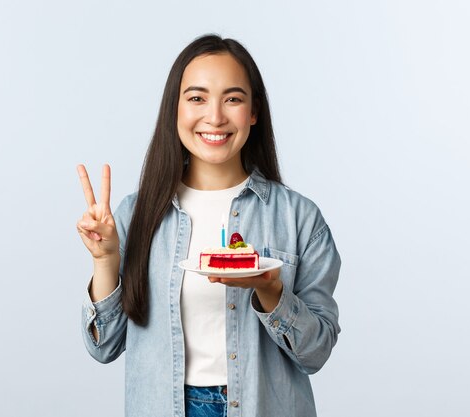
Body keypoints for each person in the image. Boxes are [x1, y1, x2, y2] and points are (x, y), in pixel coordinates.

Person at [76, 34, 341, 417]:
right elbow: (104, 347)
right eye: (197, 98)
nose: (215, 117)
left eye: (232, 99)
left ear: (253, 111)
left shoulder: (298, 218)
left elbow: (315, 353)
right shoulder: (137, 214)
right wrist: (105, 260)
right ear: (175, 110)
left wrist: (270, 290)